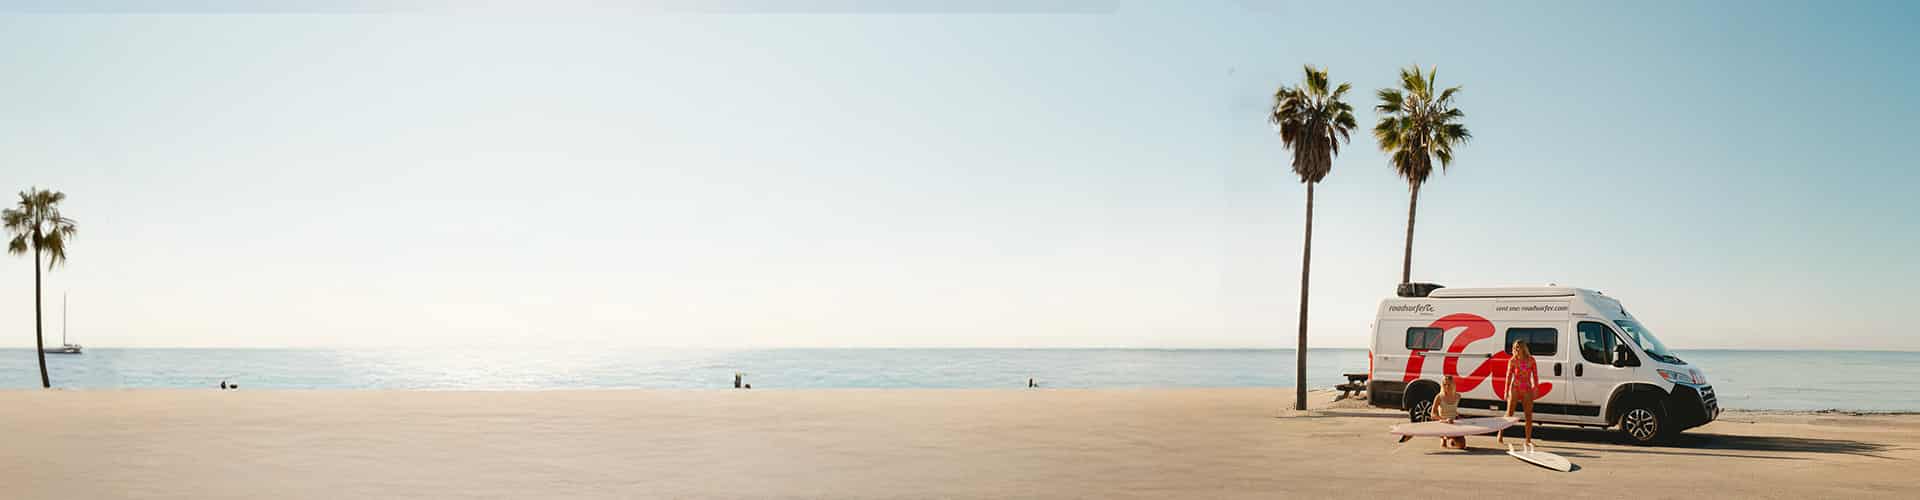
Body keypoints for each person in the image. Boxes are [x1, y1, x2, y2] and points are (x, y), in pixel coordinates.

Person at [1503, 340, 1539, 448]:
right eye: (1515, 347)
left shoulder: (1531, 360)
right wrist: (1506, 391)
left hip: (1527, 388)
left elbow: (1535, 375)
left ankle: (1528, 440)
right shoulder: (1512, 361)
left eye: (1518, 347)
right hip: (1515, 388)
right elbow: (1508, 377)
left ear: (1524, 348)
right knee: (1509, 413)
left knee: (1528, 415)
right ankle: (1500, 433)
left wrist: (1536, 387)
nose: (1516, 349)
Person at [1431, 375, 1467, 449]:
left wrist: (1459, 417)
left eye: (1449, 384)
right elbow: (1433, 414)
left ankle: (1451, 440)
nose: (1447, 386)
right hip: (1443, 423)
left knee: (1462, 445)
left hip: (1454, 423)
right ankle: (1443, 438)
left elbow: (1455, 411)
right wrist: (1443, 420)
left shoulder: (1458, 396)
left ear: (1453, 384)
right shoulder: (1439, 397)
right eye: (1444, 384)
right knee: (1446, 441)